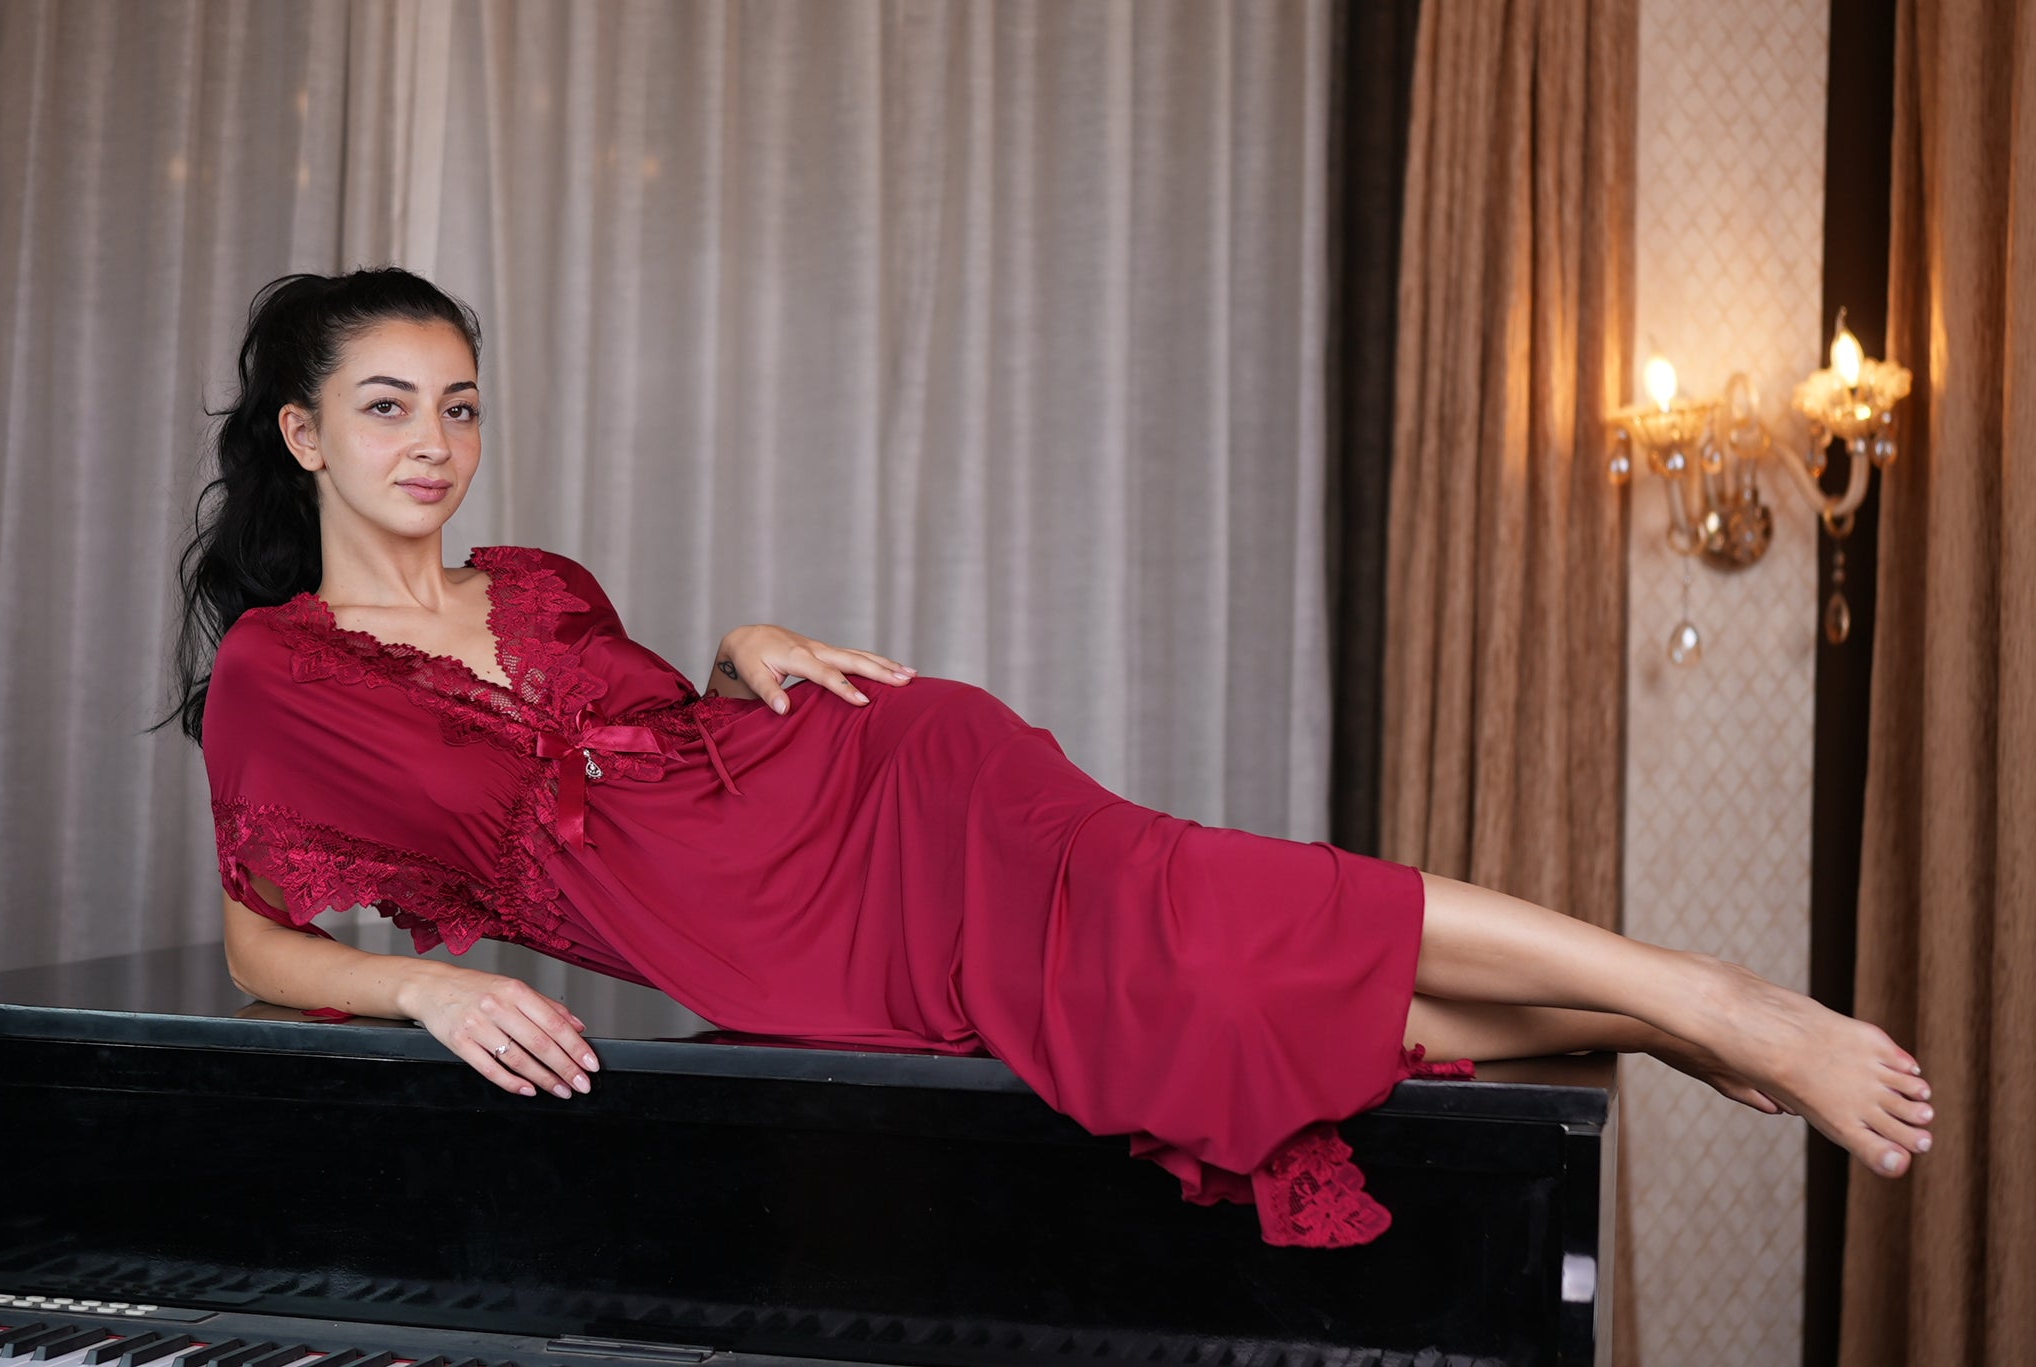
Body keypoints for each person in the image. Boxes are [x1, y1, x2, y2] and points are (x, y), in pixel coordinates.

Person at [166, 267, 1933, 1249]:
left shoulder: (539, 580)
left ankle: (1701, 996)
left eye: (460, 404)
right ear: (305, 435)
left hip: (880, 779)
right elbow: (261, 939)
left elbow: (654, 749)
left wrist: (735, 648)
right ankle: (1667, 1012)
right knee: (1198, 979)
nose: (434, 442)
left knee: (1196, 905)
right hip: (786, 940)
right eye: (388, 408)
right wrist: (428, 992)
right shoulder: (280, 675)